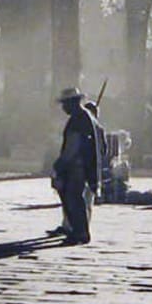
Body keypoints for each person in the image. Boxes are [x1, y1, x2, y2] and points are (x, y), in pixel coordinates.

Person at [50, 86, 99, 245]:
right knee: (75, 200)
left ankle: (80, 232)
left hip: (76, 167)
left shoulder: (79, 119)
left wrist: (59, 165)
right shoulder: (85, 117)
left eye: (65, 104)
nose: (63, 107)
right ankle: (78, 231)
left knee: (73, 200)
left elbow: (73, 146)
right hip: (80, 166)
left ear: (73, 103)